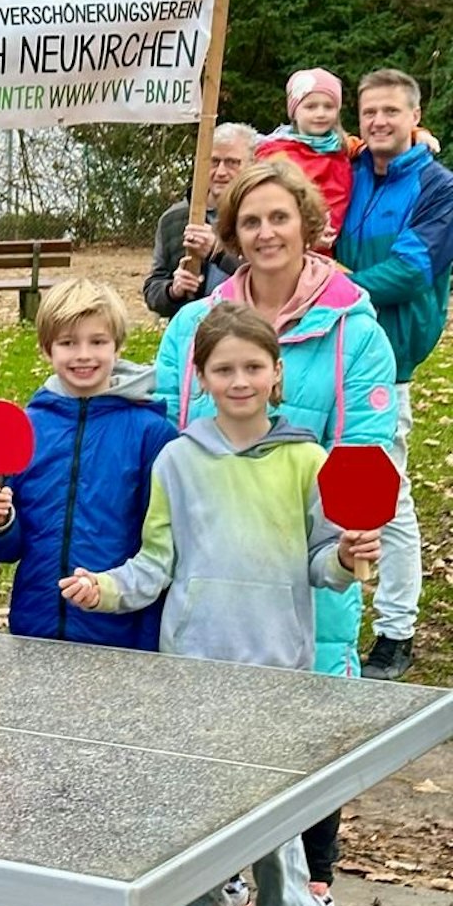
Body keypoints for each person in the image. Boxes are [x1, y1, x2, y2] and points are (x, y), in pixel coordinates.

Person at [65, 302, 381, 906]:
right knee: (192, 816)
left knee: (274, 826)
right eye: (223, 368)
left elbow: (323, 565)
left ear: (275, 375)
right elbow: (154, 564)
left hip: (276, 674)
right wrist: (104, 588)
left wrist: (347, 553)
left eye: (253, 366)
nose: (239, 379)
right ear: (202, 377)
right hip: (193, 673)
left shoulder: (308, 458)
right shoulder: (178, 460)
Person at [157, 159, 398, 906]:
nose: (264, 233)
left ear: (306, 224)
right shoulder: (195, 326)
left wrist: (334, 530)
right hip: (213, 573)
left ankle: (313, 887)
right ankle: (220, 883)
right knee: (210, 738)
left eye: (278, 217)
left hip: (306, 562)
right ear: (233, 236)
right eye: (249, 221)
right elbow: (169, 424)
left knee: (302, 741)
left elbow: (365, 451)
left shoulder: (355, 328)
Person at [0, 278, 182, 906]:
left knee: (117, 777)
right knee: (46, 776)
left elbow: (163, 540)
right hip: (39, 626)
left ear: (119, 347)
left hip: (121, 631)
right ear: (48, 347)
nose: (83, 354)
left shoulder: (152, 430)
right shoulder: (29, 425)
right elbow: (6, 547)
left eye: (96, 341)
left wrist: (124, 599)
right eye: (68, 342)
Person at [336, 67, 453, 682]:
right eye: (370, 112)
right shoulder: (353, 170)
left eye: (391, 112)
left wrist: (332, 291)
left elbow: (411, 270)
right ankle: (332, 614)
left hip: (393, 356)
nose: (379, 121)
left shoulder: (438, 186)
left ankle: (397, 630)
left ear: (415, 117)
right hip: (333, 348)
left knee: (387, 494)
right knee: (325, 487)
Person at [145, 123, 256, 319]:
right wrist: (173, 290)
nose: (221, 172)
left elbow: (269, 279)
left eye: (232, 162)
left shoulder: (263, 217)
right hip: (191, 336)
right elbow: (153, 289)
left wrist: (218, 253)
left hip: (248, 331)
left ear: (252, 165)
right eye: (214, 161)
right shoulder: (175, 218)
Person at [255, 68, 353, 248]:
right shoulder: (275, 153)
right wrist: (306, 235)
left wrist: (416, 132)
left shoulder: (342, 150)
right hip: (284, 247)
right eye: (310, 106)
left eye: (328, 106)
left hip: (327, 251)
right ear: (294, 111)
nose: (320, 113)